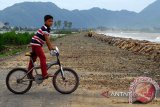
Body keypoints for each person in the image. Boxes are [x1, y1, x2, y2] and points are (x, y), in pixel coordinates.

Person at [28, 15, 56, 79]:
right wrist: (50, 48)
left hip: (34, 43)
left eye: (52, 21)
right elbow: (47, 39)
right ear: (45, 21)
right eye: (49, 21)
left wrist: (50, 47)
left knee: (33, 58)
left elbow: (47, 39)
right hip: (36, 44)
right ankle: (44, 74)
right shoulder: (45, 28)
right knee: (43, 58)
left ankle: (29, 73)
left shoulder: (47, 28)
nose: (51, 22)